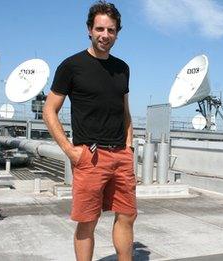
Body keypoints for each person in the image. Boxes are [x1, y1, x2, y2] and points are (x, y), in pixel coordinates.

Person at [43, 1, 136, 260]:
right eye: (100, 29)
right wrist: (70, 151)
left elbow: (124, 110)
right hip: (90, 156)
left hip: (121, 156)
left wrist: (128, 146)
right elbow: (49, 110)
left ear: (117, 32)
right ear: (89, 29)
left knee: (127, 216)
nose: (105, 35)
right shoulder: (71, 66)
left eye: (111, 30)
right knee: (87, 221)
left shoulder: (122, 68)